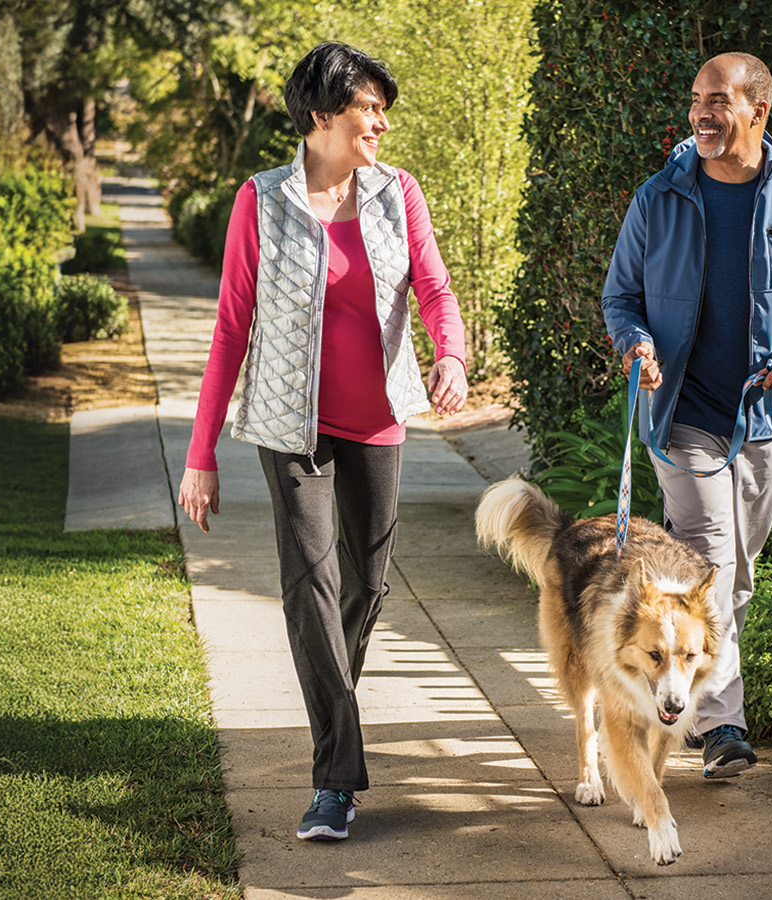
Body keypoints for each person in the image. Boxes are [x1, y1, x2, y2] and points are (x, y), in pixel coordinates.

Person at [176, 41, 467, 841]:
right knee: (310, 580)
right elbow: (232, 324)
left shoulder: (396, 193)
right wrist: (200, 453)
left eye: (382, 108)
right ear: (320, 116)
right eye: (366, 107)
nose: (380, 121)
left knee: (364, 587)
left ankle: (330, 736)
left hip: (378, 420)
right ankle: (335, 779)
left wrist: (453, 355)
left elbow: (435, 288)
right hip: (289, 426)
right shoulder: (260, 201)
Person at [600, 52, 772, 778]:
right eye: (696, 100)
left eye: (718, 100)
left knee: (733, 579)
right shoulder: (660, 196)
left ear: (759, 110)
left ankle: (685, 691)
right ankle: (722, 728)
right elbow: (621, 296)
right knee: (712, 553)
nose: (701, 113)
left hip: (765, 420)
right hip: (679, 410)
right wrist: (639, 343)